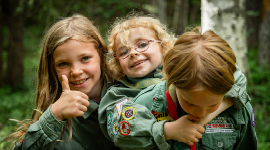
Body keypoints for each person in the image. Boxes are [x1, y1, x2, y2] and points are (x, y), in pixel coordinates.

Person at [98, 14, 251, 149]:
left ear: (163, 45)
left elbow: (233, 75)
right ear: (117, 62)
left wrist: (212, 112)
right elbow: (119, 128)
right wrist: (167, 130)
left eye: (142, 44)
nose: (133, 53)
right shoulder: (119, 93)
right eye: (124, 52)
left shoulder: (188, 70)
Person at [3, 14, 119, 150]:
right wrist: (54, 115)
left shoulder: (130, 89)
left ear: (101, 53)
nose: (75, 71)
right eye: (63, 63)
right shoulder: (59, 124)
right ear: (52, 68)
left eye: (85, 58)